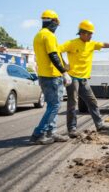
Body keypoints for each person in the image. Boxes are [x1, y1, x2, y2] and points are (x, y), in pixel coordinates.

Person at [59, 20, 109, 138]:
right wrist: (64, 65)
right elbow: (57, 50)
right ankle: (72, 129)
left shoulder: (91, 44)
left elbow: (104, 45)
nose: (91, 36)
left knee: (92, 101)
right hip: (73, 78)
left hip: (83, 79)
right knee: (72, 103)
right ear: (83, 33)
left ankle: (99, 125)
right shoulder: (71, 43)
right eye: (90, 33)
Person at [30, 10, 72, 145]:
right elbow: (53, 55)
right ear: (54, 22)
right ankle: (38, 133)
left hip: (43, 76)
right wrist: (64, 72)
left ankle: (51, 132)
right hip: (52, 76)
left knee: (51, 106)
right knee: (54, 106)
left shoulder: (38, 35)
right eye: (56, 24)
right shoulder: (49, 36)